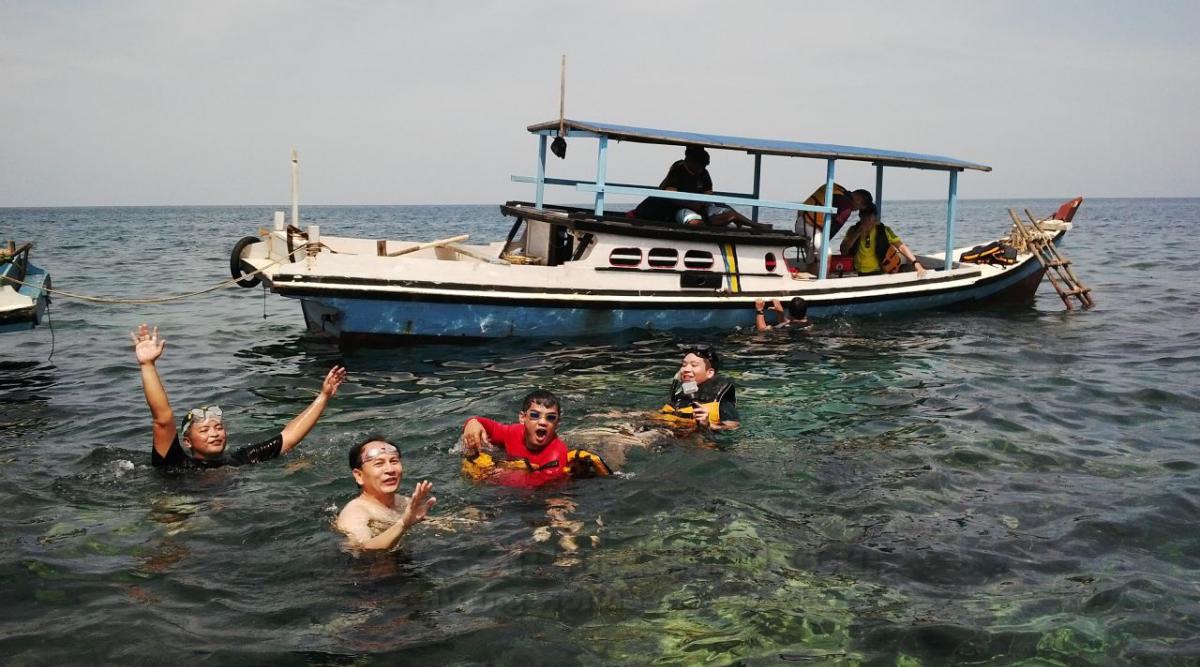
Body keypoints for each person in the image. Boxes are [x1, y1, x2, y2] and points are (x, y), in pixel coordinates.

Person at [131, 323, 346, 470]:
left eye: (218, 427)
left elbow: (287, 438)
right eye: (204, 430)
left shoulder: (241, 459)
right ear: (187, 442)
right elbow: (162, 419)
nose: (214, 434)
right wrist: (147, 365)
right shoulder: (175, 463)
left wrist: (324, 396)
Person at [461, 389, 609, 486]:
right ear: (522, 417)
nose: (543, 422)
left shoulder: (556, 454)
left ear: (557, 423)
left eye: (550, 418)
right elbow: (484, 424)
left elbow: (539, 482)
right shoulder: (512, 433)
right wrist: (472, 423)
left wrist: (501, 474)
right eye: (534, 415)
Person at [632, 145, 770, 231]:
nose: (701, 169)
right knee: (695, 223)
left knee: (728, 210)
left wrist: (704, 204)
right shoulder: (677, 170)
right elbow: (671, 196)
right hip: (677, 208)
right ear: (690, 160)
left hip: (701, 205)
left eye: (703, 166)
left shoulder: (704, 173)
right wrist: (692, 204)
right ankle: (713, 224)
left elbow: (709, 193)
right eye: (699, 165)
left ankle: (754, 225)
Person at [335, 437, 437, 551]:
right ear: (359, 475)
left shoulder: (404, 502)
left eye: (394, 461)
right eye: (379, 463)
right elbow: (362, 548)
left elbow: (436, 525)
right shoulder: (355, 512)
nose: (390, 469)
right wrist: (402, 524)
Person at [658, 346, 740, 431]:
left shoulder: (720, 401)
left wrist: (708, 425)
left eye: (694, 365)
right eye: (684, 365)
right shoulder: (679, 397)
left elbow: (734, 426)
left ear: (709, 373)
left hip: (699, 440)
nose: (686, 369)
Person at [839, 204, 926, 277]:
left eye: (869, 215)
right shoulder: (853, 230)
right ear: (860, 216)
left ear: (874, 217)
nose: (866, 219)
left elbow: (901, 246)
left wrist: (916, 263)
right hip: (859, 272)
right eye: (863, 215)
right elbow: (843, 250)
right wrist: (857, 233)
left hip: (880, 271)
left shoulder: (884, 230)